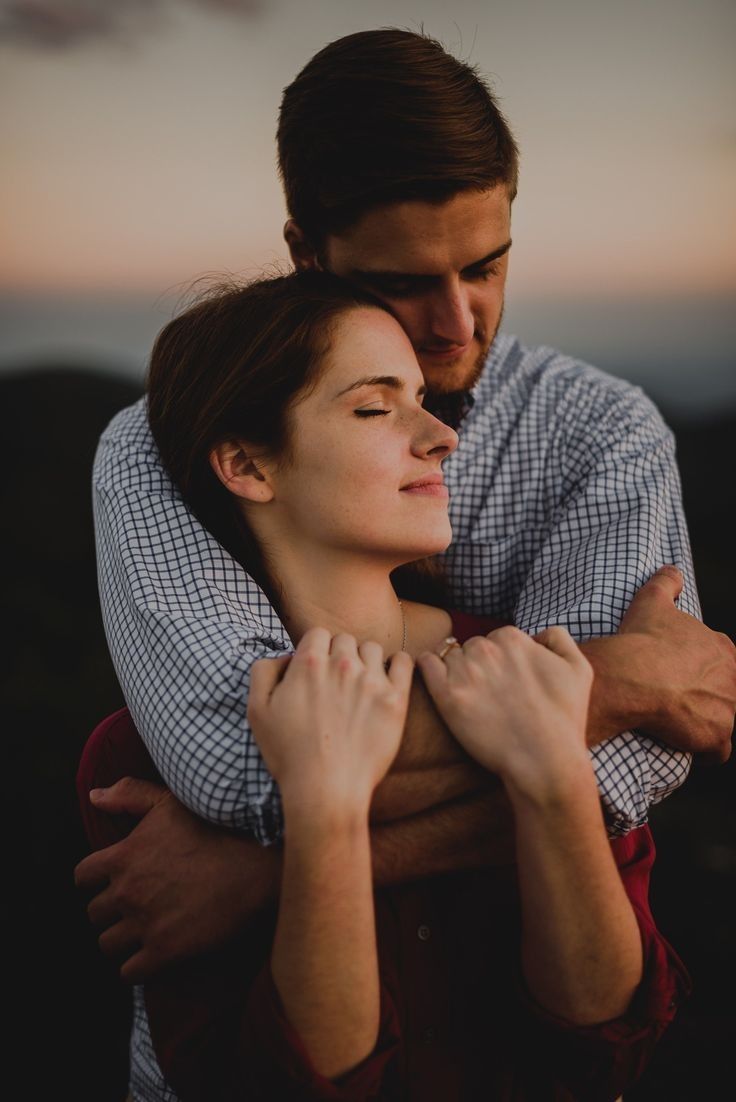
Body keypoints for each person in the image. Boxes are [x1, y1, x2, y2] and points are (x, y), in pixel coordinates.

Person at [75, 19, 735, 1067]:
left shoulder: (604, 435)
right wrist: (624, 677)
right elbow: (245, 766)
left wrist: (270, 871)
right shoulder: (159, 445)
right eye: (403, 284)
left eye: (485, 265)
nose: (458, 322)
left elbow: (616, 781)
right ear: (306, 253)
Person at [79, 271, 690, 1101]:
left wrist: (553, 778)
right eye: (375, 408)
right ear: (247, 464)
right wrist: (323, 816)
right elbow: (275, 1086)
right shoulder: (138, 757)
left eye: (422, 399)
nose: (441, 434)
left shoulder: (524, 671)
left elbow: (607, 1045)